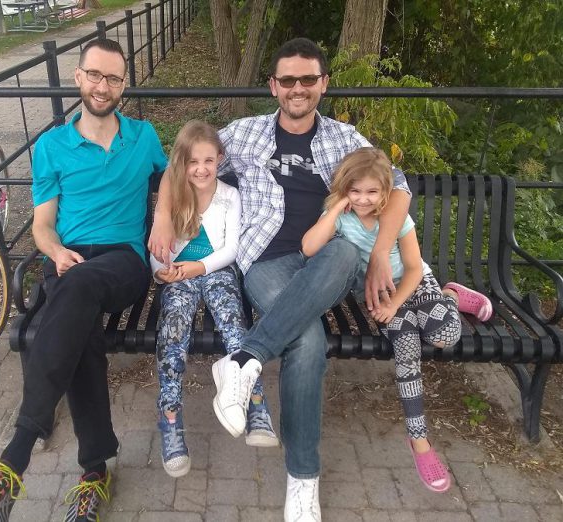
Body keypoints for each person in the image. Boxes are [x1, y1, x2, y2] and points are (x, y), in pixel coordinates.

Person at [149, 37, 411, 521]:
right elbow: (182, 162)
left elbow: (399, 190)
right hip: (265, 264)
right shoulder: (244, 135)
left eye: (307, 79)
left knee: (342, 251)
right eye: (287, 79)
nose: (297, 88)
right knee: (307, 344)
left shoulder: (345, 140)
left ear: (323, 84)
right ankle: (303, 477)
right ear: (273, 86)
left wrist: (379, 252)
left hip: (325, 267)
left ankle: (244, 361)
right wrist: (164, 214)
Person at [0, 39, 168, 522]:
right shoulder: (52, 145)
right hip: (67, 259)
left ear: (124, 85)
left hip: (122, 263)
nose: (103, 86)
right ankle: (95, 472)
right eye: (95, 74)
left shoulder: (143, 136)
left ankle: (14, 461)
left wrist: (163, 220)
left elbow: (178, 179)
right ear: (78, 77)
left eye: (113, 78)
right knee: (81, 324)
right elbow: (43, 225)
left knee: (76, 292)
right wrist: (53, 251)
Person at [302, 147, 493, 493]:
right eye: (354, 191)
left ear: (386, 192)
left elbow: (415, 267)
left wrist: (396, 305)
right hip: (382, 298)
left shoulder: (397, 218)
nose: (362, 199)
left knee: (445, 335)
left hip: (414, 285)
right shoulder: (342, 219)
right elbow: (310, 247)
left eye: (371, 192)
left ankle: (451, 296)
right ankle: (419, 440)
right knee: (406, 349)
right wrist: (334, 210)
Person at [150, 120, 279, 478]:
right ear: (181, 163)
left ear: (220, 159)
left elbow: (231, 249)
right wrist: (161, 269)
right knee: (172, 332)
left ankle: (255, 404)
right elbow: (158, 249)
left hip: (217, 271)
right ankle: (171, 418)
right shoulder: (174, 196)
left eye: (208, 161)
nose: (201, 169)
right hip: (179, 276)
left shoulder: (229, 196)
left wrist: (199, 267)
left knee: (235, 328)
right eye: (193, 162)